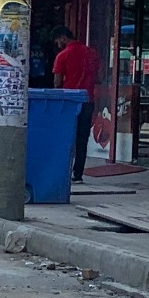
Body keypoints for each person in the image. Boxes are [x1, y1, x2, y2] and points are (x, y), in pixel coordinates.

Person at [52, 25, 97, 183]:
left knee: (65, 137)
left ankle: (63, 171)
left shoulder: (63, 55)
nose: (58, 44)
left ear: (63, 37)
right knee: (82, 139)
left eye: (58, 40)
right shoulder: (91, 53)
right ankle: (78, 174)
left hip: (69, 101)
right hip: (87, 99)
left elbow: (57, 82)